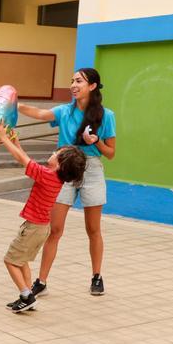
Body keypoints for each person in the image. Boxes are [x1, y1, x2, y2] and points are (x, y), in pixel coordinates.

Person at [17, 68, 116, 296]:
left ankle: (96, 276)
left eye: (78, 81)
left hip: (91, 168)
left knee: (93, 229)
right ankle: (41, 281)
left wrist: (96, 141)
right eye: (72, 81)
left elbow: (110, 153)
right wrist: (16, 106)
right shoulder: (64, 111)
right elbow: (40, 113)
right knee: (55, 229)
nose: (73, 85)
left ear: (92, 86)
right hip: (63, 168)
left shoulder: (107, 116)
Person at [0, 124, 86, 313]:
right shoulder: (54, 178)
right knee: (22, 260)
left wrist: (4, 138)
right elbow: (26, 159)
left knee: (10, 261)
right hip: (42, 228)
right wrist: (16, 142)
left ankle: (26, 295)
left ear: (59, 164)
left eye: (55, 153)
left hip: (34, 228)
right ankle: (28, 298)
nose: (52, 153)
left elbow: (22, 159)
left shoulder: (46, 176)